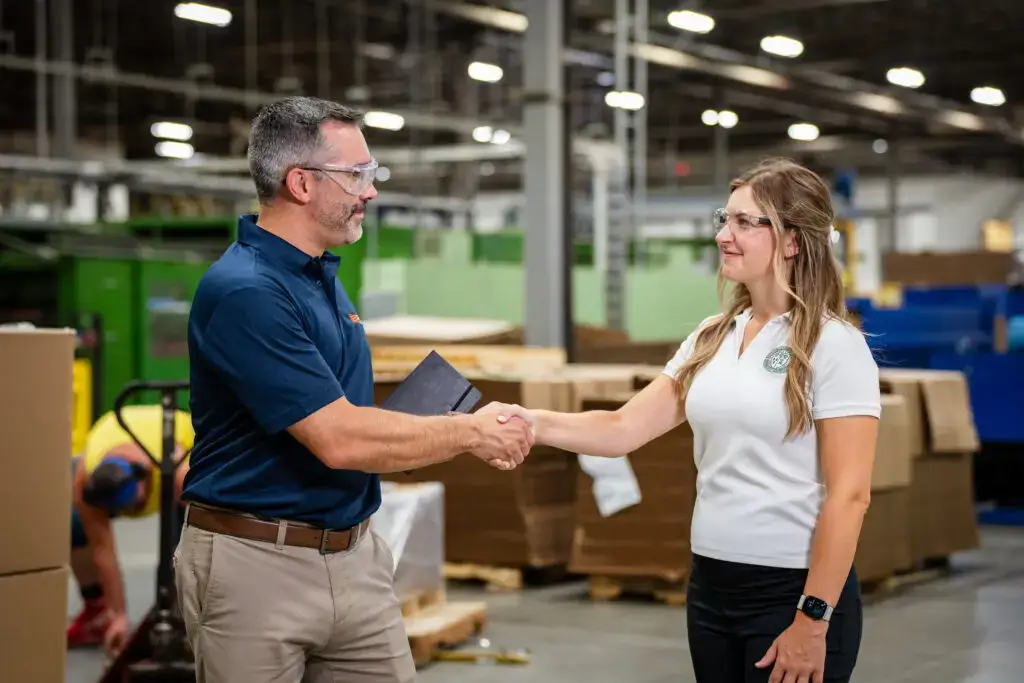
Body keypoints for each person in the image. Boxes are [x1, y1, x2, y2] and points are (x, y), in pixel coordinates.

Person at [176, 96, 533, 683]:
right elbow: (338, 437)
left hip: (354, 556)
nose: (369, 190)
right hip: (258, 565)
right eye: (356, 174)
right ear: (301, 183)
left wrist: (418, 432)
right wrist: (467, 432)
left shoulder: (319, 277)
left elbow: (349, 414)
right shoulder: (246, 291)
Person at [480, 158, 880, 683]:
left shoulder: (834, 346)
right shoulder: (713, 336)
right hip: (711, 588)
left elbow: (850, 495)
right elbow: (622, 429)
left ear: (791, 241)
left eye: (743, 222)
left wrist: (813, 618)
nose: (722, 236)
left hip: (791, 592)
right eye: (724, 218)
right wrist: (526, 418)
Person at [67, 404, 194, 654]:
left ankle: (194, 614)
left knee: (187, 547)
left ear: (144, 476)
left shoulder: (181, 471)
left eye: (136, 505)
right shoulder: (85, 481)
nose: (132, 515)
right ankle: (97, 610)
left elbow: (218, 526)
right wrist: (118, 615)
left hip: (181, 454)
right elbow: (103, 550)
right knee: (73, 523)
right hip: (120, 434)